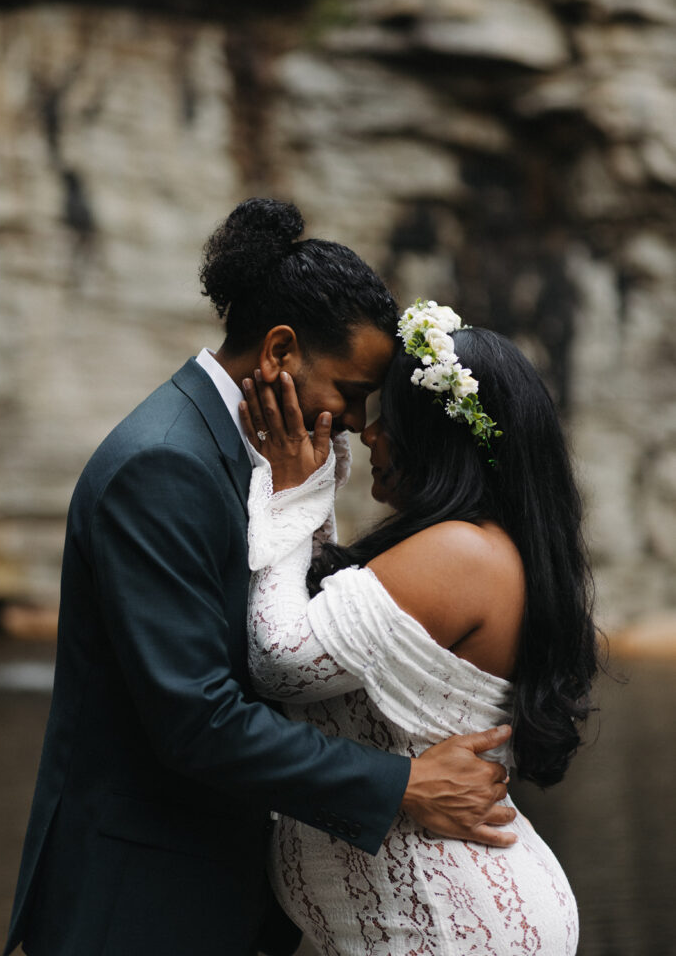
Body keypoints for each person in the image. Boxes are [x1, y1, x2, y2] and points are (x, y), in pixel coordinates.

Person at [6, 203, 516, 956]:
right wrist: (401, 785)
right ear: (280, 350)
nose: (355, 419)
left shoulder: (259, 455)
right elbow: (197, 718)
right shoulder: (165, 465)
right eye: (350, 390)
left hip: (214, 890)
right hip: (140, 901)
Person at [240, 299, 599, 954]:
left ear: (437, 438)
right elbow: (322, 619)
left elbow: (283, 659)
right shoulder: (475, 548)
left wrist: (289, 493)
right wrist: (315, 491)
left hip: (452, 926)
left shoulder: (462, 553)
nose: (369, 433)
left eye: (391, 419)